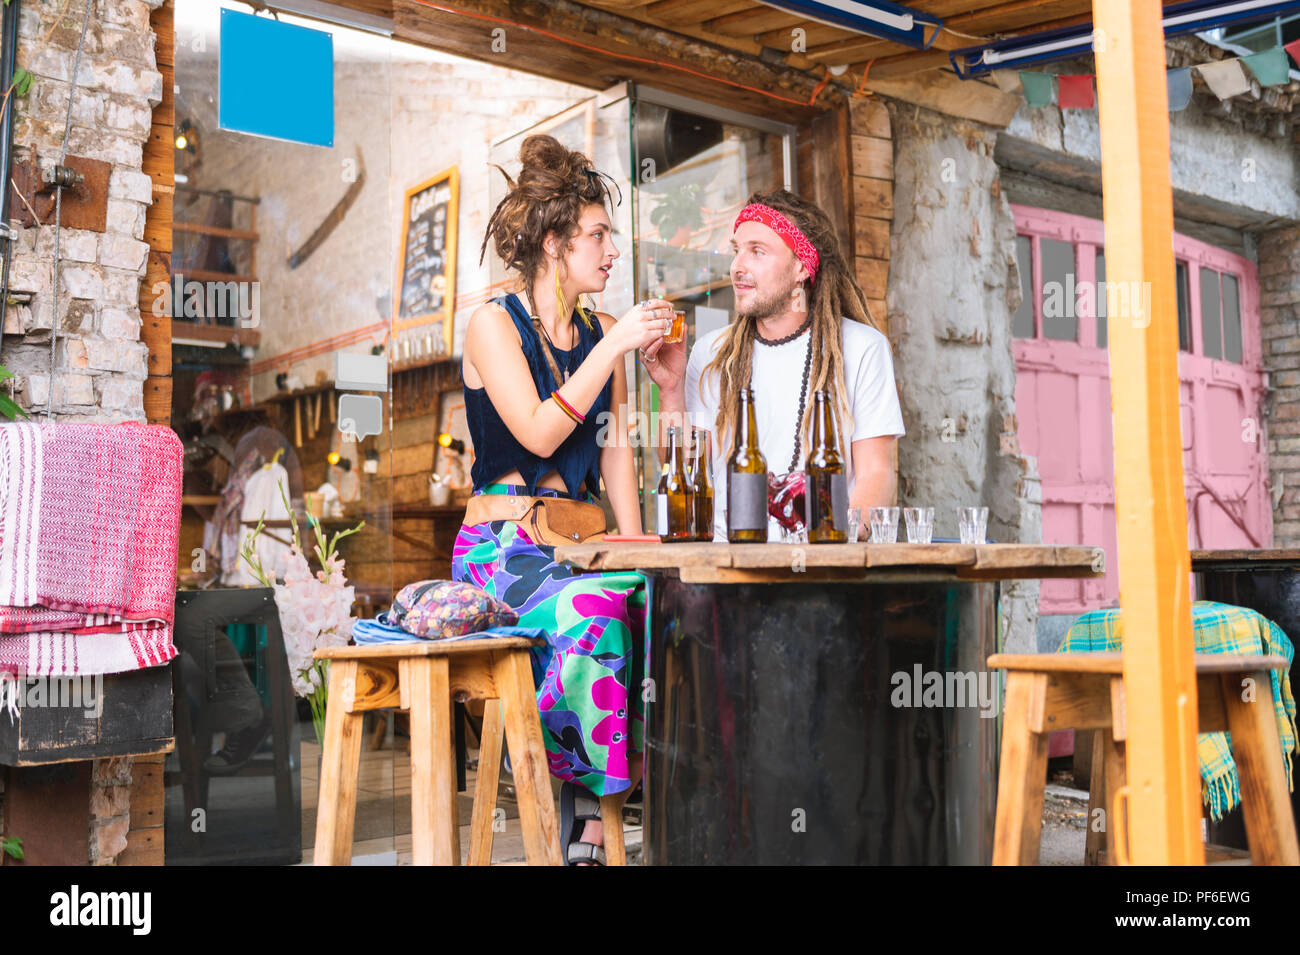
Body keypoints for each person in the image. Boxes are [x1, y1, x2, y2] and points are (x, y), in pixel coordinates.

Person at [453, 134, 673, 865]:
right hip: (499, 549)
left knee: (663, 601)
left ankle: (665, 805)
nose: (612, 251)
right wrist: (611, 353)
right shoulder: (492, 324)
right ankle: (585, 821)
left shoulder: (599, 330)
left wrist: (644, 556)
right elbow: (541, 432)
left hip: (576, 546)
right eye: (598, 235)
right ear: (554, 242)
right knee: (592, 610)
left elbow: (616, 458)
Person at [645, 189, 905, 539]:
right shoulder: (711, 353)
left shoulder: (861, 348)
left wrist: (833, 547)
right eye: (737, 250)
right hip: (725, 565)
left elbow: (877, 475)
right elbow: (685, 470)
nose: (738, 266)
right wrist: (671, 390)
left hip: (821, 564)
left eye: (757, 251)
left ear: (801, 265)